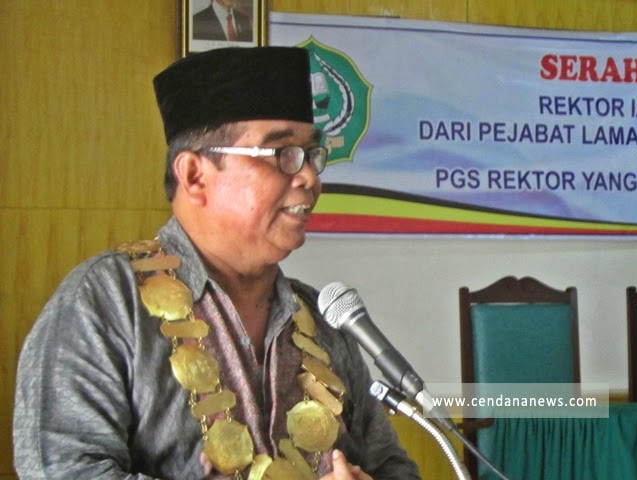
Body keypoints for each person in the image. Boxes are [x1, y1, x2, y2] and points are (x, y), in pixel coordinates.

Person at [13, 47, 421, 479]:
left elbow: (393, 469)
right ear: (194, 176)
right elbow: (62, 469)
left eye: (311, 154)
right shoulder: (104, 303)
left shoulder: (323, 321)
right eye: (282, 153)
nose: (309, 177)